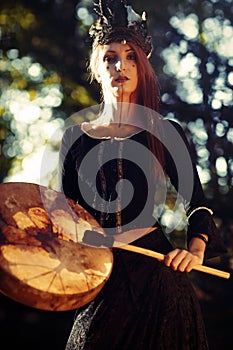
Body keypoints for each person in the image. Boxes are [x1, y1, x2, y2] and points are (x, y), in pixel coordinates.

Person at [58, 1, 226, 349]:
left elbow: (197, 205)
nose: (121, 65)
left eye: (131, 56)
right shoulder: (75, 139)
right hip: (99, 275)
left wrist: (194, 251)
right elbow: (68, 215)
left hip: (158, 277)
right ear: (97, 68)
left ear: (142, 66)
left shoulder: (164, 132)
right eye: (110, 57)